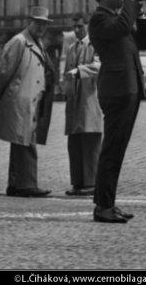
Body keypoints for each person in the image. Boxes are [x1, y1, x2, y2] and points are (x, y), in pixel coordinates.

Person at [88, 0, 146, 223]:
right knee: (111, 150)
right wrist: (129, 0)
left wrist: (141, 12)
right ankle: (102, 206)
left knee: (117, 150)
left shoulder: (119, 18)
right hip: (117, 90)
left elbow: (144, 42)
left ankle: (108, 203)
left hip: (130, 87)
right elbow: (122, 29)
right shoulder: (99, 19)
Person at [0, 6, 56, 198]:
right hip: (20, 99)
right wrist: (0, 96)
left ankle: (16, 184)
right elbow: (4, 72)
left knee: (22, 141)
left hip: (32, 99)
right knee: (25, 142)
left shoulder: (37, 41)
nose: (42, 27)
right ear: (29, 22)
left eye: (45, 24)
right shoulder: (19, 41)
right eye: (38, 22)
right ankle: (26, 185)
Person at [62, 12, 102, 196]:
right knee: (75, 141)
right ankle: (77, 182)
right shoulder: (72, 48)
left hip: (90, 98)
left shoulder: (96, 44)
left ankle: (91, 182)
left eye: (80, 26)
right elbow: (65, 72)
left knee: (90, 139)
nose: (77, 30)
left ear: (87, 26)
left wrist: (79, 71)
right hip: (74, 99)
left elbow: (99, 66)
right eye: (74, 27)